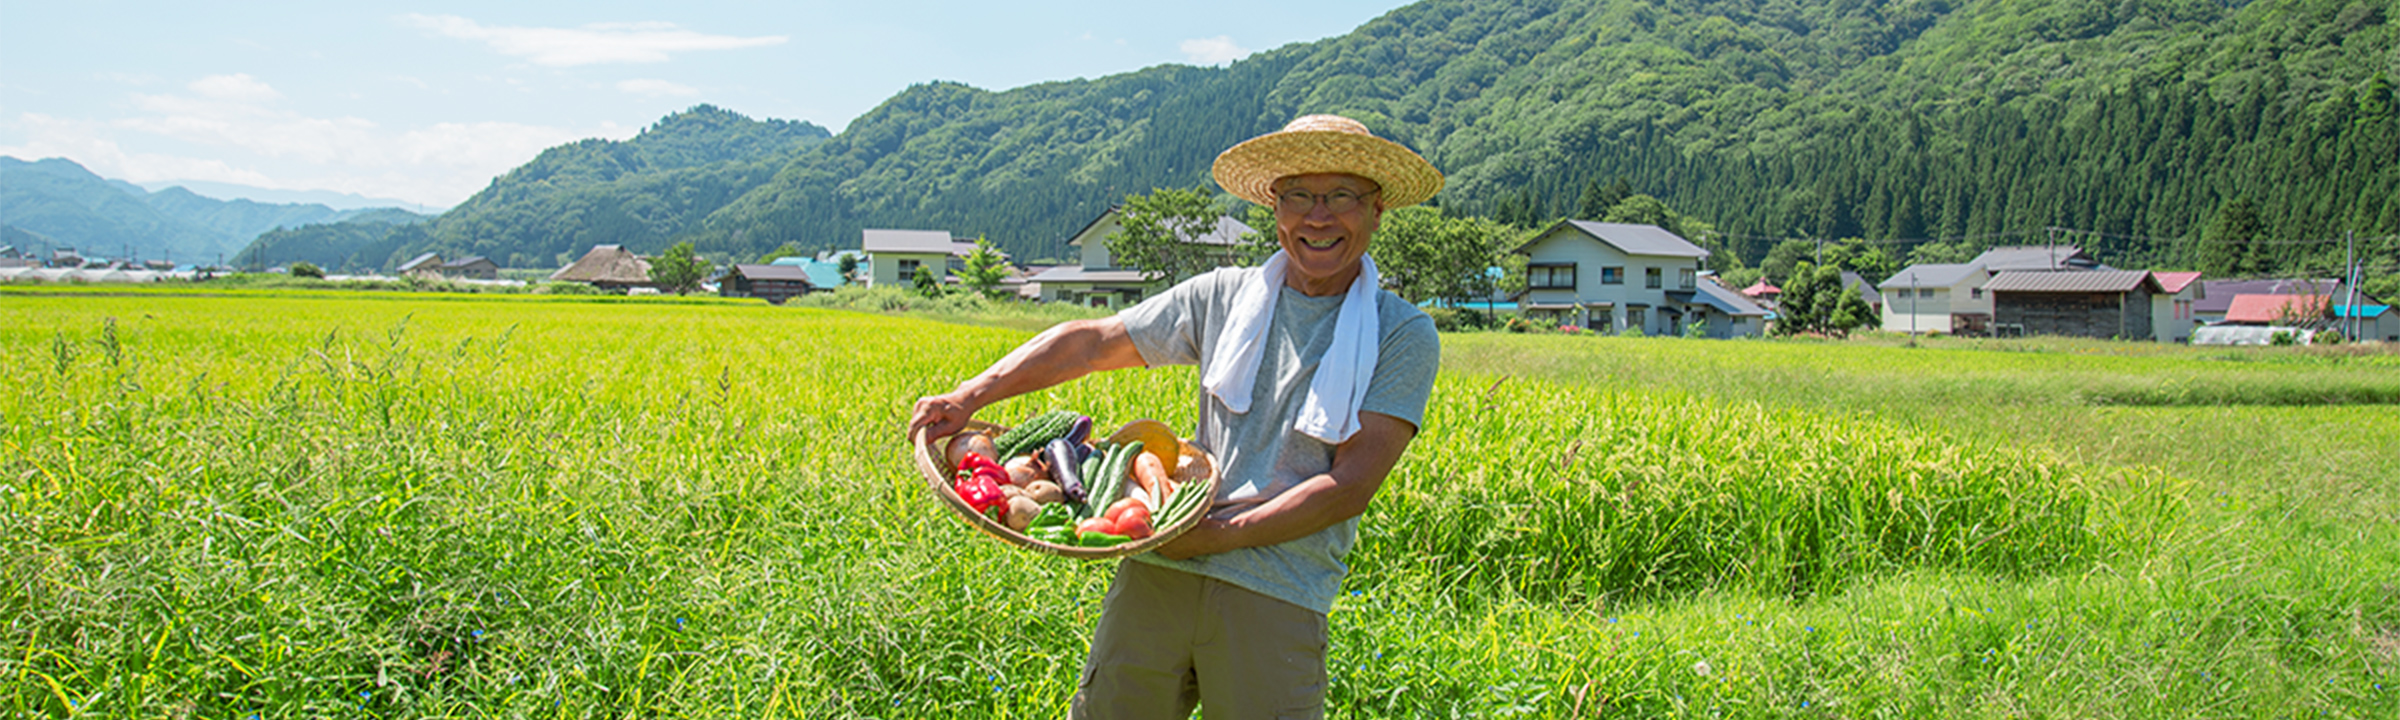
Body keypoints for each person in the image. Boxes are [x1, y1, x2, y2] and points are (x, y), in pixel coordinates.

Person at [907, 114, 1442, 718]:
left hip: (1277, 588)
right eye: (1299, 195)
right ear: (1276, 207)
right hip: (1159, 564)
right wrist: (972, 396)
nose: (1318, 216)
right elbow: (1091, 341)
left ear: (1376, 210)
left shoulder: (1401, 333)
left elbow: (1349, 486)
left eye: (1341, 196)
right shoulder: (1222, 296)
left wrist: (1218, 537)